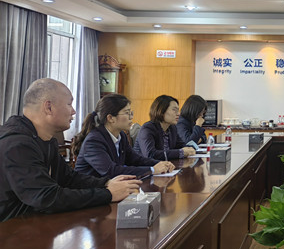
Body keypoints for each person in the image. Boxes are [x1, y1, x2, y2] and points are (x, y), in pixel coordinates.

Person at [0, 78, 141, 222]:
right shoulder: (17, 144)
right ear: (48, 107)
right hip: (10, 229)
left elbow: (68, 178)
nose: (73, 111)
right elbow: (47, 197)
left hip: (32, 224)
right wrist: (108, 194)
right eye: (69, 104)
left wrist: (106, 183)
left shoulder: (45, 140)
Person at [73, 94, 175, 178]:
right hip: (91, 192)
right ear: (110, 118)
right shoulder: (94, 140)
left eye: (131, 113)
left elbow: (135, 159)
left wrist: (160, 163)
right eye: (127, 113)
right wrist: (152, 170)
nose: (131, 117)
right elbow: (111, 171)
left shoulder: (121, 135)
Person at [134, 95, 196, 160]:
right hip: (145, 165)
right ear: (161, 111)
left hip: (165, 165)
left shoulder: (172, 128)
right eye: (174, 110)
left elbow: (181, 145)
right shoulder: (148, 128)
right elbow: (150, 154)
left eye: (178, 110)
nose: (178, 114)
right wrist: (181, 152)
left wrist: (189, 149)